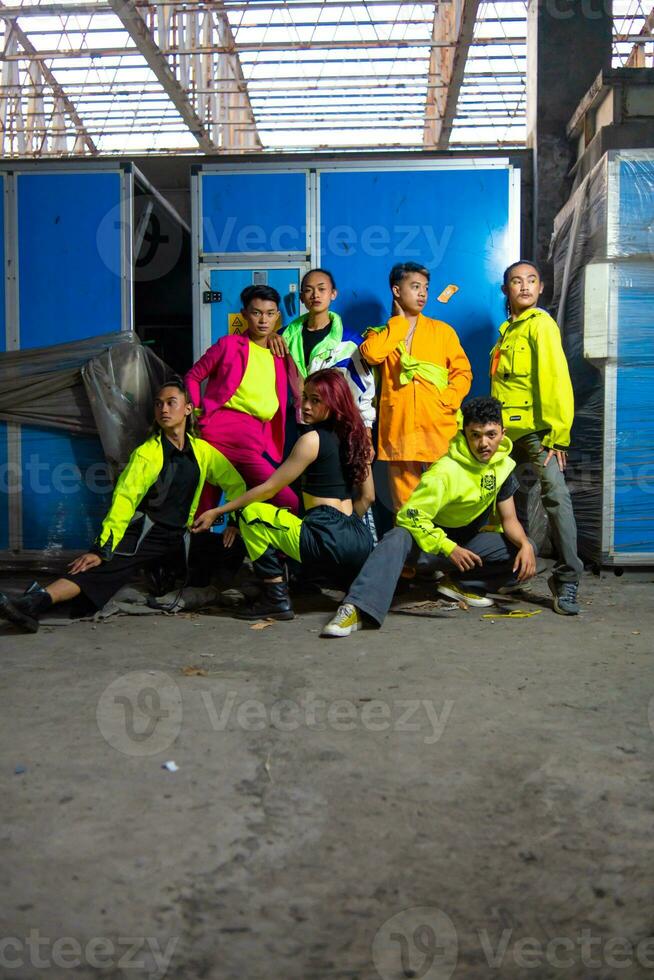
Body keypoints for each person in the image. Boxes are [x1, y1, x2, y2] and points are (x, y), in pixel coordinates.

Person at [0, 381, 247, 634]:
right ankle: (33, 603)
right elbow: (124, 500)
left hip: (181, 537)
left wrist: (234, 521)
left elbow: (236, 484)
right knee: (97, 569)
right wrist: (101, 548)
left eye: (171, 402)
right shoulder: (148, 453)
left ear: (187, 409)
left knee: (237, 543)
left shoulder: (202, 451)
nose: (164, 409)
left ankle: (186, 582)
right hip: (147, 534)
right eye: (158, 404)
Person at [321, 396, 537, 637]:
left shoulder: (502, 466)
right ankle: (357, 607)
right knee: (397, 535)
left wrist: (525, 544)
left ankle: (460, 585)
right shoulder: (445, 471)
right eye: (475, 435)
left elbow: (509, 520)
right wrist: (448, 547)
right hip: (427, 548)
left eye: (490, 434)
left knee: (523, 548)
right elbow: (409, 515)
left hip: (464, 543)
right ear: (464, 433)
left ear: (502, 432)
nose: (483, 443)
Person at [193, 369, 375, 621]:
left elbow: (269, 488)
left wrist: (218, 511)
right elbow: (368, 498)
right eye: (305, 398)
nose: (306, 406)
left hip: (325, 534)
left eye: (315, 400)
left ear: (333, 403)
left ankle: (275, 597)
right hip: (358, 541)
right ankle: (334, 583)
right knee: (300, 528)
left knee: (251, 513)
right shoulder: (357, 440)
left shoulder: (311, 440)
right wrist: (344, 532)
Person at [490, 260, 583, 616]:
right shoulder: (507, 331)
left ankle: (567, 578)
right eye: (516, 281)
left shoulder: (540, 325)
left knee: (556, 497)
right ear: (506, 290)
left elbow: (556, 379)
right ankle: (516, 566)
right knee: (502, 500)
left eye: (531, 280)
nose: (524, 286)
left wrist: (557, 436)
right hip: (504, 439)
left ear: (541, 288)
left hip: (536, 434)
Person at [359, 262, 472, 511]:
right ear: (396, 291)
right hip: (400, 429)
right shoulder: (380, 334)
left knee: (444, 502)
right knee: (406, 508)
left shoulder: (442, 332)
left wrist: (449, 400)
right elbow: (372, 355)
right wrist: (398, 324)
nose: (422, 293)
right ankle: (412, 550)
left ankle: (445, 549)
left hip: (438, 426)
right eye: (415, 286)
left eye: (426, 288)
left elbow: (463, 372)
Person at [185, 284, 300, 514]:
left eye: (270, 314)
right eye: (256, 313)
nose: (263, 320)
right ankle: (192, 549)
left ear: (277, 316)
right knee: (203, 507)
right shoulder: (228, 345)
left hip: (255, 439)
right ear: (245, 314)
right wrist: (196, 415)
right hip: (217, 433)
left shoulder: (280, 352)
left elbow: (298, 387)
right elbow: (193, 376)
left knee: (287, 502)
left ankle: (266, 551)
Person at [279, 268, 376, 434]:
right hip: (292, 428)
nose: (315, 295)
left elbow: (363, 390)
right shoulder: (284, 338)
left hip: (334, 429)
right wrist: (269, 337)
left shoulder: (350, 342)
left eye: (321, 289)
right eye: (309, 290)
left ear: (333, 294)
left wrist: (366, 431)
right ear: (302, 298)